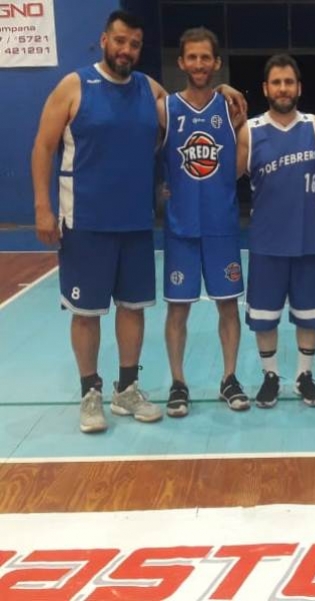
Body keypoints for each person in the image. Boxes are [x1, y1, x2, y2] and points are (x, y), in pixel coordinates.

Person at [31, 10, 165, 433]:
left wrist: (224, 89)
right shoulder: (74, 85)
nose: (127, 50)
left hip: (135, 222)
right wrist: (42, 207)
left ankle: (127, 389)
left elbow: (194, 106)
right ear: (104, 39)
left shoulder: (150, 89)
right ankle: (90, 392)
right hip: (85, 220)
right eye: (121, 41)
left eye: (135, 44)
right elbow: (43, 146)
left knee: (133, 309)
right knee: (87, 313)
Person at [159, 27, 248, 417]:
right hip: (180, 229)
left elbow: (242, 166)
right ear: (181, 62)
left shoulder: (232, 111)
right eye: (191, 57)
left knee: (228, 308)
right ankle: (178, 383)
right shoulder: (165, 109)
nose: (198, 64)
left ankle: (229, 378)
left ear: (216, 63)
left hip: (221, 226)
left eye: (205, 57)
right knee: (178, 311)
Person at [237, 54, 315, 409]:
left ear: (299, 87)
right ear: (265, 88)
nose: (283, 88)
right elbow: (225, 176)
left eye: (289, 82)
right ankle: (271, 376)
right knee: (264, 317)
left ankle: (304, 376)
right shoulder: (251, 129)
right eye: (276, 82)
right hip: (266, 241)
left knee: (310, 315)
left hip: (308, 239)